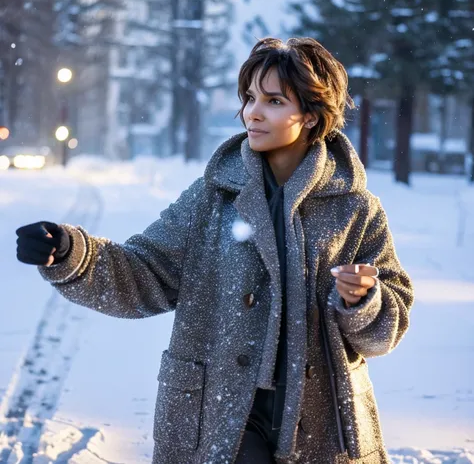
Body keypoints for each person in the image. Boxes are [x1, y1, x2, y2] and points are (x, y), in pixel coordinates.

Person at [16, 37, 414, 464]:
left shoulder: (356, 209)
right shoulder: (213, 196)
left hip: (321, 429)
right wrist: (70, 252)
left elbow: (385, 329)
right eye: (249, 98)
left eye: (274, 100)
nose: (252, 113)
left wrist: (364, 301)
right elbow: (143, 273)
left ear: (313, 115)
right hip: (219, 418)